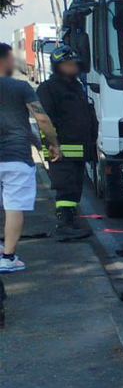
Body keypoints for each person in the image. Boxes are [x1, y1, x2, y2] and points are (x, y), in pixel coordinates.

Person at [0, 42, 63, 272]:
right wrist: (53, 144)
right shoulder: (20, 87)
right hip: (16, 156)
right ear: (5, 60)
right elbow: (42, 119)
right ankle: (8, 257)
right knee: (14, 206)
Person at [36, 46, 95, 241]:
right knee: (65, 188)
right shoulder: (48, 88)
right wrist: (53, 145)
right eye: (69, 63)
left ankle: (71, 222)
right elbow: (45, 119)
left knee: (75, 188)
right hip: (61, 150)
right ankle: (64, 226)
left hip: (79, 150)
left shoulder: (76, 86)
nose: (73, 67)